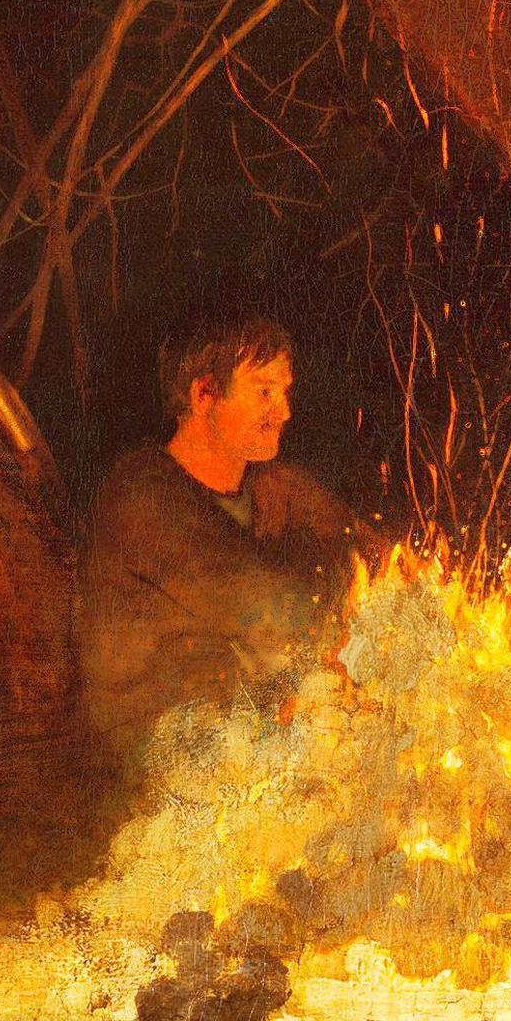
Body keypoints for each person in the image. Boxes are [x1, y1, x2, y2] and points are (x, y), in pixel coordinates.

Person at [76, 313, 364, 758]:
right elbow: (274, 616)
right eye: (265, 392)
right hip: (164, 766)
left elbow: (377, 559)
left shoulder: (278, 487)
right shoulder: (141, 497)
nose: (284, 412)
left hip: (261, 739)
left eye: (284, 392)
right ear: (204, 394)